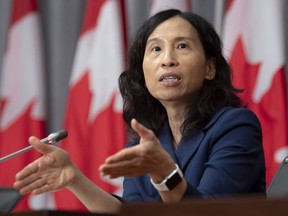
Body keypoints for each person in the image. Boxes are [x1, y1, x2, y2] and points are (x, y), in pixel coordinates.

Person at [13, 9, 266, 213]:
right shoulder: (144, 145)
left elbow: (206, 210)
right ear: (143, 75)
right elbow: (132, 212)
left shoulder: (236, 126)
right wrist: (74, 179)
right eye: (155, 49)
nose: (167, 59)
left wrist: (164, 172)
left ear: (209, 68)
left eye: (182, 47)